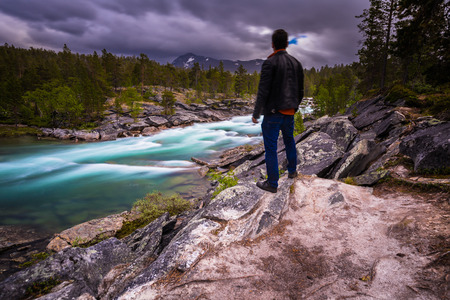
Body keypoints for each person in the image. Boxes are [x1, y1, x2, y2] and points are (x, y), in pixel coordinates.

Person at [252, 29, 304, 193]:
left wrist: (256, 113)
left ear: (273, 44)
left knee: (271, 148)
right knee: (289, 141)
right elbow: (300, 91)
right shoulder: (296, 63)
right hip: (289, 112)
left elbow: (263, 90)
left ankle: (272, 183)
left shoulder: (270, 62)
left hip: (273, 113)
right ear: (287, 44)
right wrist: (294, 107)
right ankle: (292, 172)